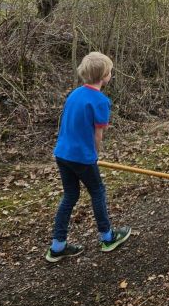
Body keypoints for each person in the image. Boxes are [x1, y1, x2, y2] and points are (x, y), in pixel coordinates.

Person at [45, 52, 131, 263]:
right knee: (97, 191)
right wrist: (93, 155)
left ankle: (57, 247)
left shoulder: (74, 94)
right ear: (104, 76)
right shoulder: (101, 101)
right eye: (110, 71)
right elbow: (97, 134)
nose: (111, 74)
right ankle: (108, 237)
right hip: (81, 157)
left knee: (70, 195)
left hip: (62, 154)